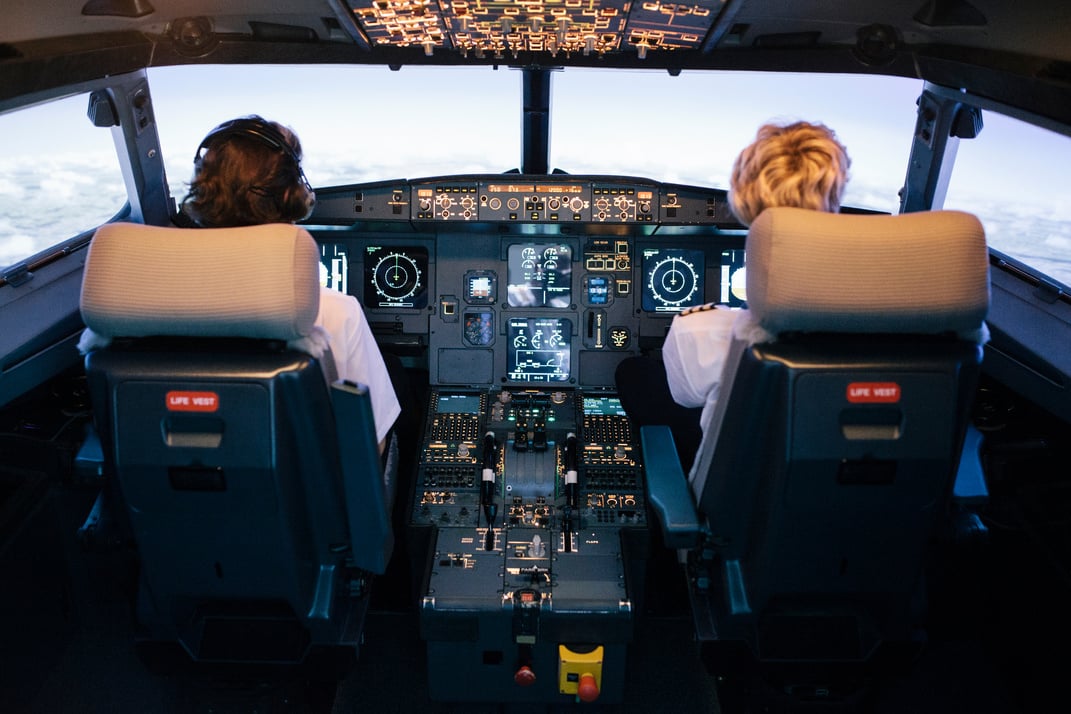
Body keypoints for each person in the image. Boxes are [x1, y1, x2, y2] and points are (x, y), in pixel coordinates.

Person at [616, 120, 850, 474]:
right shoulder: (911, 323)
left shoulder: (703, 334)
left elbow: (682, 396)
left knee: (632, 373)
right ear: (836, 192)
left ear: (745, 200)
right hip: (858, 505)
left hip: (734, 521)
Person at [180, 115, 401, 453]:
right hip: (307, 504)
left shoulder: (145, 308)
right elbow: (374, 446)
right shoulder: (332, 313)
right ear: (291, 194)